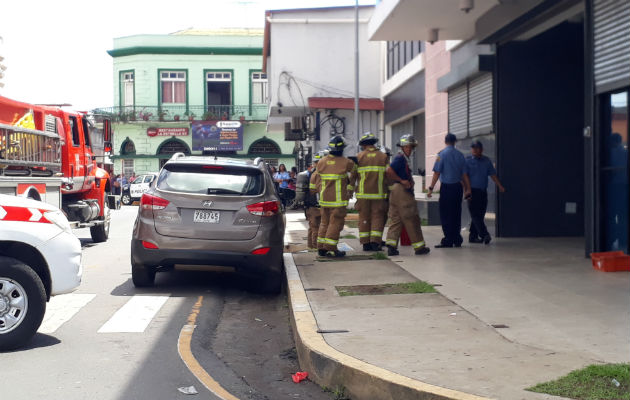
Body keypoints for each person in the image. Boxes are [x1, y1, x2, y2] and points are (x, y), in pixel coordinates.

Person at [311, 136, 358, 257]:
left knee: (324, 223)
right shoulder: (346, 162)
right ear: (342, 149)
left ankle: (321, 247)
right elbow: (355, 170)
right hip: (338, 201)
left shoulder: (321, 162)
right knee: (335, 223)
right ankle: (331, 248)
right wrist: (350, 187)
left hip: (324, 200)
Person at [384, 134, 430, 256]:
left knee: (396, 219)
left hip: (395, 192)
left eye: (412, 147)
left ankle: (391, 246)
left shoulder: (402, 159)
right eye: (409, 147)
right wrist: (402, 180)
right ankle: (419, 247)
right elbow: (388, 171)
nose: (411, 150)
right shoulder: (400, 159)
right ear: (403, 147)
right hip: (402, 193)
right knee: (412, 218)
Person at [427, 133, 471, 248]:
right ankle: (457, 238)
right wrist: (468, 190)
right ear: (455, 141)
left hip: (446, 188)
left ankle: (448, 239)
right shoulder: (461, 155)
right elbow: (465, 175)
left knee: (446, 214)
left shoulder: (441, 155)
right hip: (457, 188)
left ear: (445, 142)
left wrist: (431, 188)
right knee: (456, 213)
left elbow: (436, 173)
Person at [466, 139, 505, 244]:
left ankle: (472, 237)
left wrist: (500, 186)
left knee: (480, 214)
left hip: (483, 192)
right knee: (475, 214)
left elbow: (493, 175)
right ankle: (485, 234)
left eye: (477, 148)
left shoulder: (486, 161)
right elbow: (464, 177)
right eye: (473, 148)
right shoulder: (467, 161)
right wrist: (466, 191)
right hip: (472, 191)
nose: (474, 150)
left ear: (481, 150)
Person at [355, 132, 389, 251]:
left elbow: (353, 176)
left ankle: (365, 243)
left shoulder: (359, 156)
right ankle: (375, 243)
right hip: (378, 194)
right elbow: (388, 176)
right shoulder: (383, 156)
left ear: (363, 145)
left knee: (364, 218)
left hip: (363, 195)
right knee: (377, 217)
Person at [305, 151, 326, 250]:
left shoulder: (311, 173)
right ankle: (315, 247)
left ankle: (310, 246)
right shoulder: (318, 174)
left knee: (312, 227)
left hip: (310, 205)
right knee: (316, 227)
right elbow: (317, 190)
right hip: (316, 205)